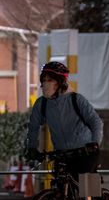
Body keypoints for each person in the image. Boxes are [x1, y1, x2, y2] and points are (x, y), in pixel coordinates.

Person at [24, 61, 104, 193]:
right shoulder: (42, 104)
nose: (45, 83)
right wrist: (31, 148)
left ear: (60, 82)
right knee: (62, 191)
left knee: (88, 189)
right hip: (62, 153)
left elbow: (95, 121)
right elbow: (33, 127)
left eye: (50, 80)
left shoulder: (76, 100)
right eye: (43, 80)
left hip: (85, 151)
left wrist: (94, 143)